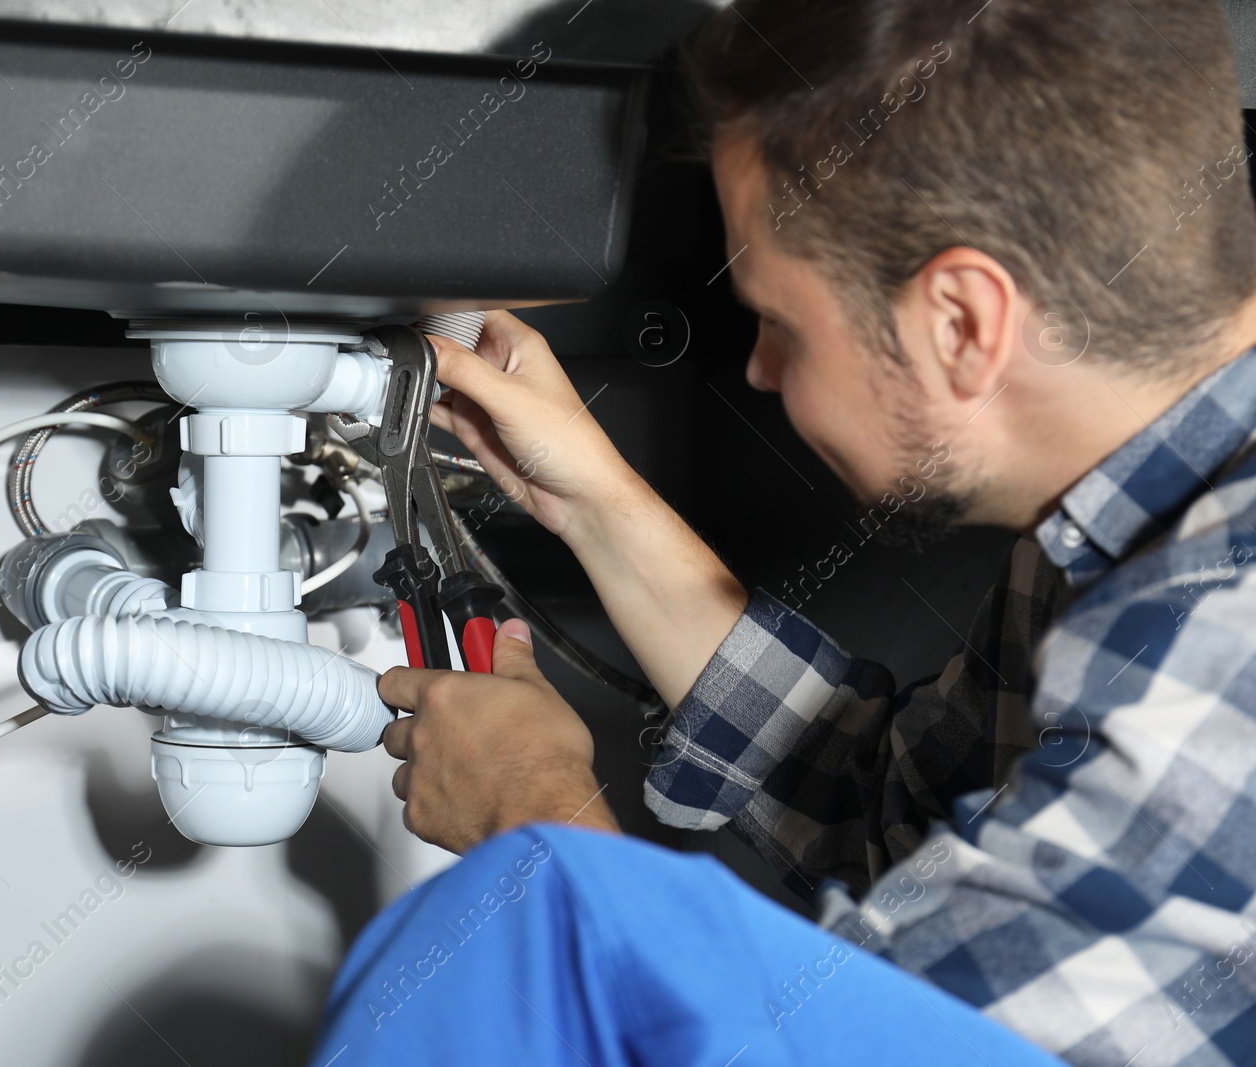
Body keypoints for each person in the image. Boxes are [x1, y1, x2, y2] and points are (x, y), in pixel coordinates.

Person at [312, 0, 1256, 1063]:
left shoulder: (1222, 638)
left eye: (777, 321)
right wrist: (592, 500)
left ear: (961, 324)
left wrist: (539, 836)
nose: (757, 368)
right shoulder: (1124, 526)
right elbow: (897, 811)